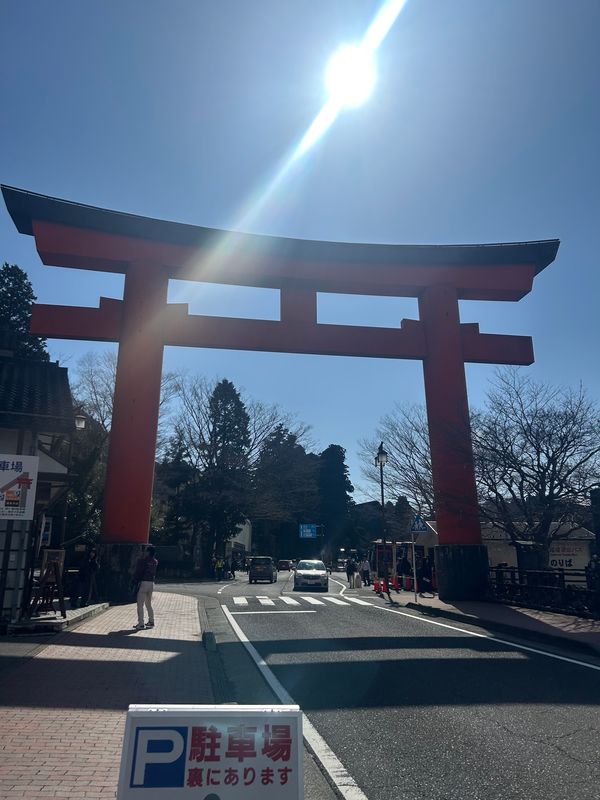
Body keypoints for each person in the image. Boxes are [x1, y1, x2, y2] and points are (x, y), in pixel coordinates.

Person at [132, 545, 158, 630]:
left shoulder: (143, 561)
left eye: (146, 551)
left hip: (143, 583)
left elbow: (138, 572)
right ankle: (151, 621)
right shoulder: (155, 561)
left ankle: (141, 623)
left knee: (140, 604)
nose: (144, 552)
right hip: (151, 583)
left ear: (148, 552)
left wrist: (134, 580)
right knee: (148, 603)